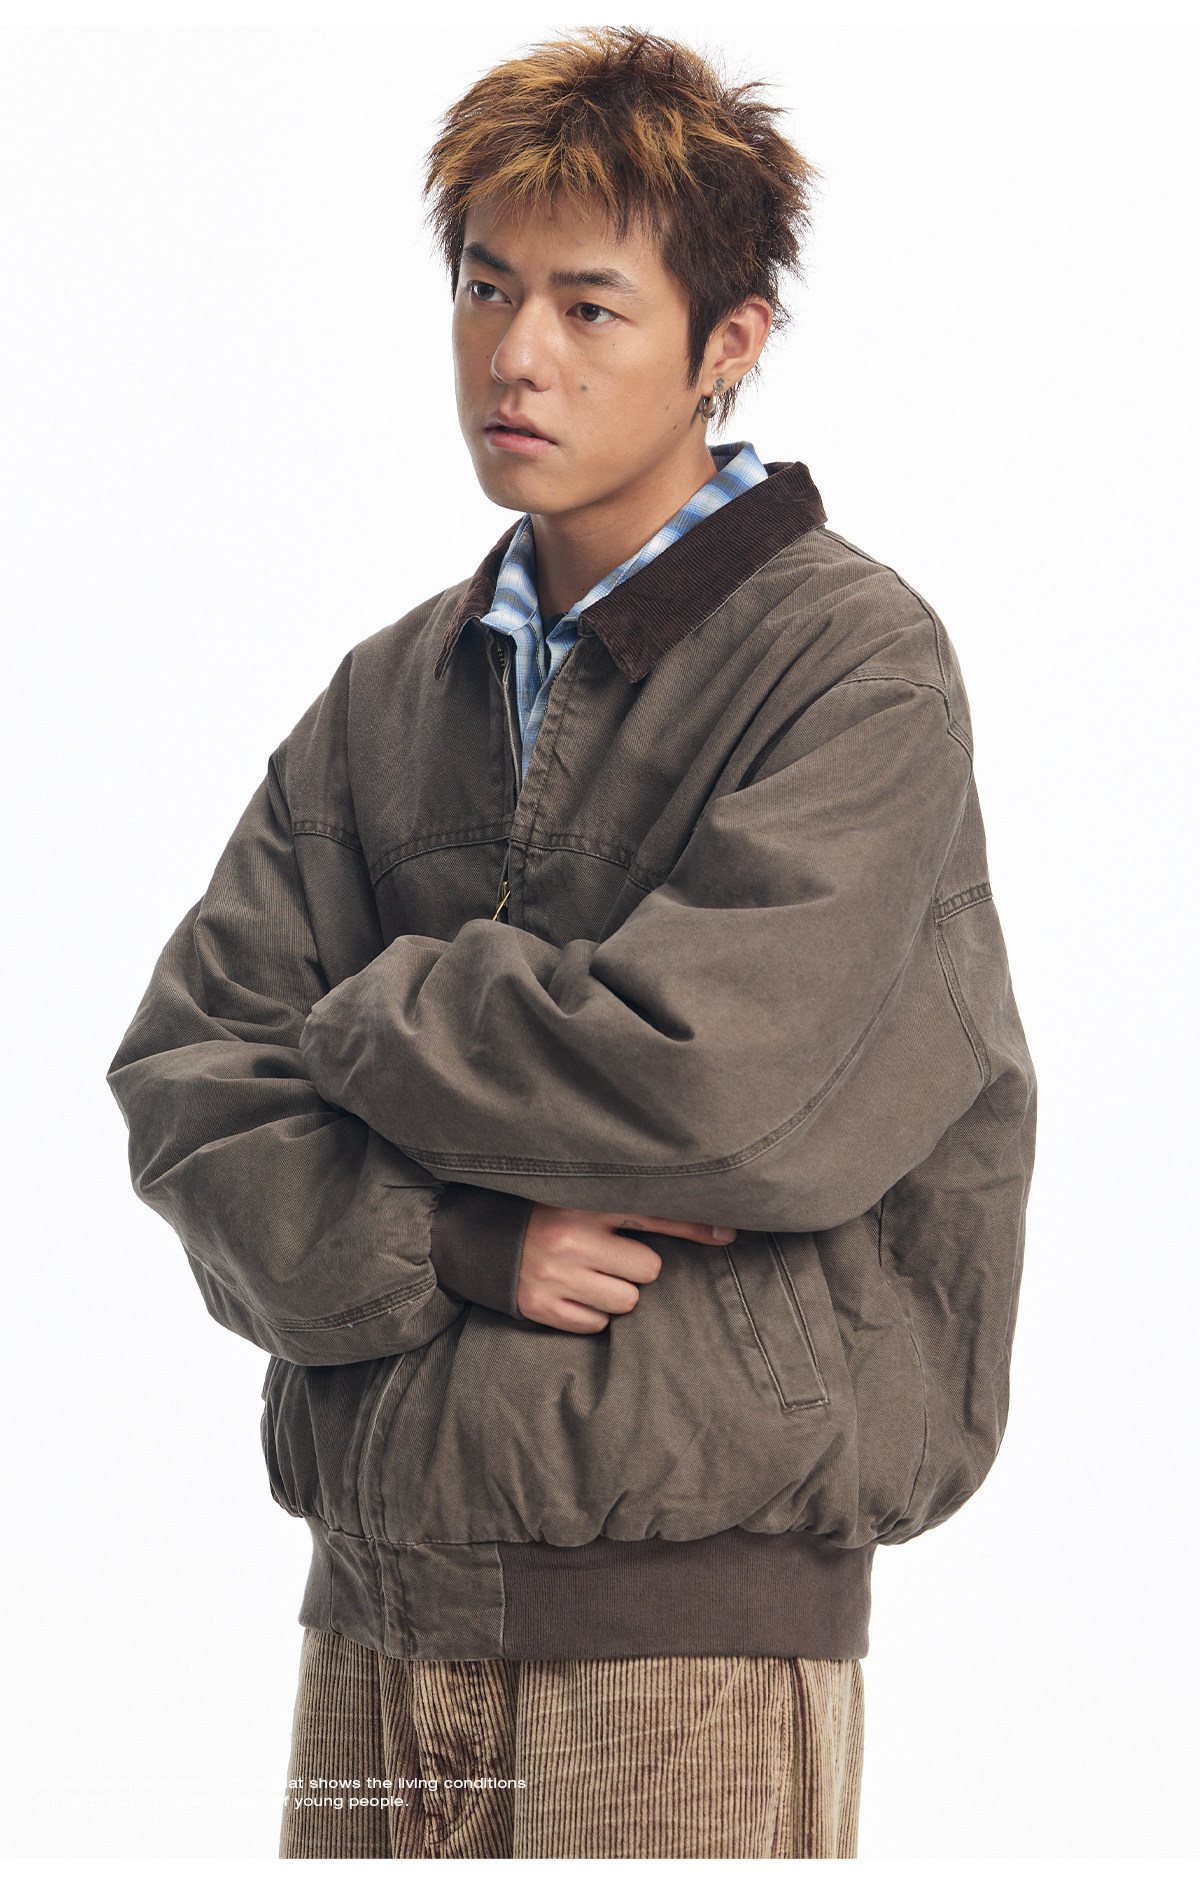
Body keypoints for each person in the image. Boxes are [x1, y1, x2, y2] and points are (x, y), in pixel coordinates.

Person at [107, 26, 1036, 1862]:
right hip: (371, 1619)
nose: (515, 353)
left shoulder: (853, 669)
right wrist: (452, 1238)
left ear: (729, 340)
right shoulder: (388, 692)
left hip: (688, 1644)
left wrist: (373, 1015)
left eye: (590, 306)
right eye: (485, 288)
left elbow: (716, 1087)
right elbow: (190, 1078)